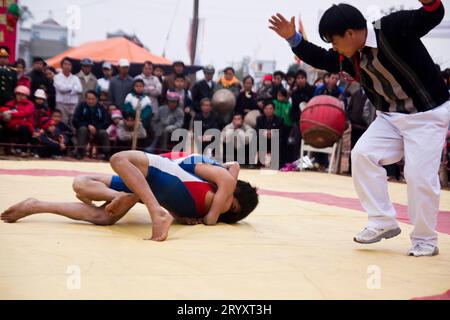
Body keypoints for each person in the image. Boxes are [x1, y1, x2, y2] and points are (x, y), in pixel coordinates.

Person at [269, 0, 450, 256]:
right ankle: (382, 221)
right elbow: (320, 57)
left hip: (427, 115)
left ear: (351, 33)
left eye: (334, 41)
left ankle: (425, 240)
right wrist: (293, 38)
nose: (334, 48)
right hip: (390, 117)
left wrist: (431, 3)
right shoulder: (347, 56)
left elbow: (430, 16)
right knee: (362, 154)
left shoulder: (392, 28)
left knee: (418, 175)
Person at [1, 151, 259, 242]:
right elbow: (232, 167)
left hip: (161, 180)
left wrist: (187, 214)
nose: (225, 206)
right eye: (230, 202)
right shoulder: (219, 181)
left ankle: (150, 207)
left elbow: (231, 170)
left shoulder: (220, 185)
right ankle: (36, 206)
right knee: (83, 187)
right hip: (160, 178)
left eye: (230, 207)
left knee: (117, 161)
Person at [72, 90, 110, 160]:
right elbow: (75, 121)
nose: (91, 101)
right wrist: (88, 126)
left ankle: (106, 153)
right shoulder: (81, 106)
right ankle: (80, 152)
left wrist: (96, 128)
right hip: (84, 129)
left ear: (96, 99)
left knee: (103, 133)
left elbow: (106, 122)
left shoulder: (101, 108)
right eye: (89, 99)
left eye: (93, 99)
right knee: (83, 129)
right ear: (86, 99)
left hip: (97, 130)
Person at [0, 85, 35, 156]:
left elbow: (23, 113)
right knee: (2, 127)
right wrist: (5, 114)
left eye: (22, 95)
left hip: (25, 127)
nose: (20, 96)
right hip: (11, 125)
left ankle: (22, 150)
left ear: (26, 96)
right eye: (18, 94)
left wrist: (11, 113)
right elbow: (3, 111)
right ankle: (5, 148)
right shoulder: (10, 103)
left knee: (23, 128)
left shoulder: (30, 104)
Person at [53, 57, 82, 128]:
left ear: (72, 67)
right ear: (62, 65)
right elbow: (61, 89)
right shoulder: (57, 77)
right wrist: (73, 88)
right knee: (62, 123)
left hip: (73, 104)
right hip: (61, 104)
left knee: (74, 124)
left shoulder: (75, 78)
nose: (67, 66)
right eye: (65, 64)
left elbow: (80, 89)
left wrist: (68, 89)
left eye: (69, 64)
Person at [256, 100, 283, 168]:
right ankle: (257, 161)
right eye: (266, 109)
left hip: (274, 139)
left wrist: (272, 133)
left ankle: (277, 161)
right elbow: (257, 130)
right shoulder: (259, 119)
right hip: (263, 139)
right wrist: (265, 133)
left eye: (270, 108)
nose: (268, 110)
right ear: (263, 110)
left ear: (274, 110)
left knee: (280, 140)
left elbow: (281, 132)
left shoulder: (279, 119)